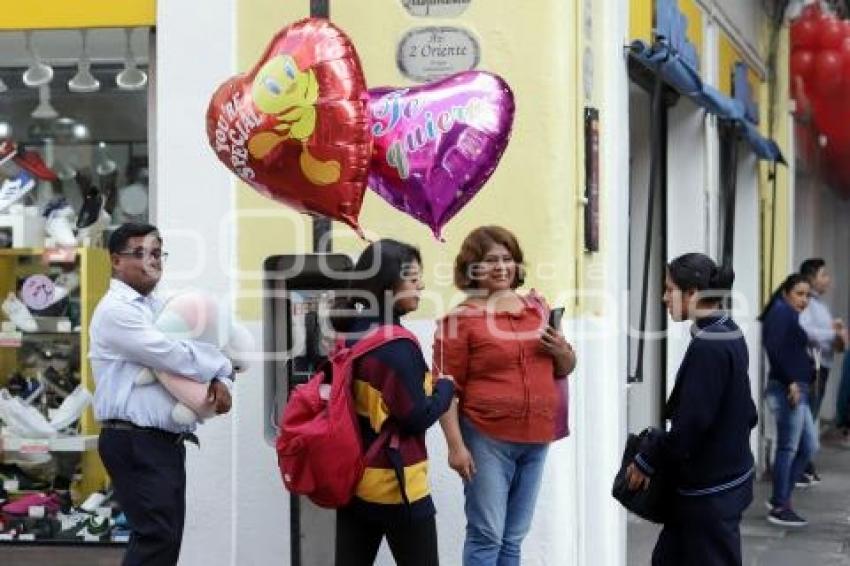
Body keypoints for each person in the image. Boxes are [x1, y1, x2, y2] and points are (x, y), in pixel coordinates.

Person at [89, 223, 234, 566]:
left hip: (161, 443)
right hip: (134, 441)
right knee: (157, 538)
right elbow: (170, 353)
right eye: (137, 254)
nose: (150, 261)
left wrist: (223, 376)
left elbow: (203, 341)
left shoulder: (159, 305)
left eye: (155, 253)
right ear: (115, 261)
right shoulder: (116, 310)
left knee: (165, 541)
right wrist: (219, 368)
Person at [433, 226, 576, 566]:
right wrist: (456, 447)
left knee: (513, 538)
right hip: (486, 438)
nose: (500, 267)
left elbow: (566, 367)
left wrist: (561, 350)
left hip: (537, 436)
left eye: (507, 259)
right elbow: (445, 388)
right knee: (487, 535)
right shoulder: (459, 320)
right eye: (489, 260)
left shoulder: (537, 308)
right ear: (471, 268)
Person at [626, 253, 757, 566]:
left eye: (669, 289)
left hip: (711, 492)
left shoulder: (710, 344)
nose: (663, 297)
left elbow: (691, 426)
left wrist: (646, 458)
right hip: (716, 485)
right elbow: (745, 411)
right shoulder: (726, 330)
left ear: (693, 293)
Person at [334, 239, 455, 566]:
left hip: (356, 479)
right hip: (397, 484)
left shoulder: (353, 332)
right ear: (388, 284)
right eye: (414, 279)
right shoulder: (397, 347)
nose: (422, 286)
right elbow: (416, 416)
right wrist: (446, 387)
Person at [760, 273, 817, 527]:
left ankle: (780, 498)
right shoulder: (781, 313)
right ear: (786, 293)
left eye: (808, 295)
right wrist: (791, 381)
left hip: (797, 388)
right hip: (787, 389)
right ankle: (780, 505)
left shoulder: (788, 314)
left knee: (808, 446)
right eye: (799, 294)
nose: (804, 300)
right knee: (789, 448)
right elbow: (774, 348)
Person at [798, 259, 848, 468]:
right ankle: (801, 467)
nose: (828, 280)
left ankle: (804, 466)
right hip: (811, 367)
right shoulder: (806, 303)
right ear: (811, 278)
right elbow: (805, 331)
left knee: (812, 415)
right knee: (806, 418)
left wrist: (837, 336)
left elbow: (829, 339)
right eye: (823, 275)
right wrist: (833, 332)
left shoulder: (820, 305)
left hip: (822, 367)